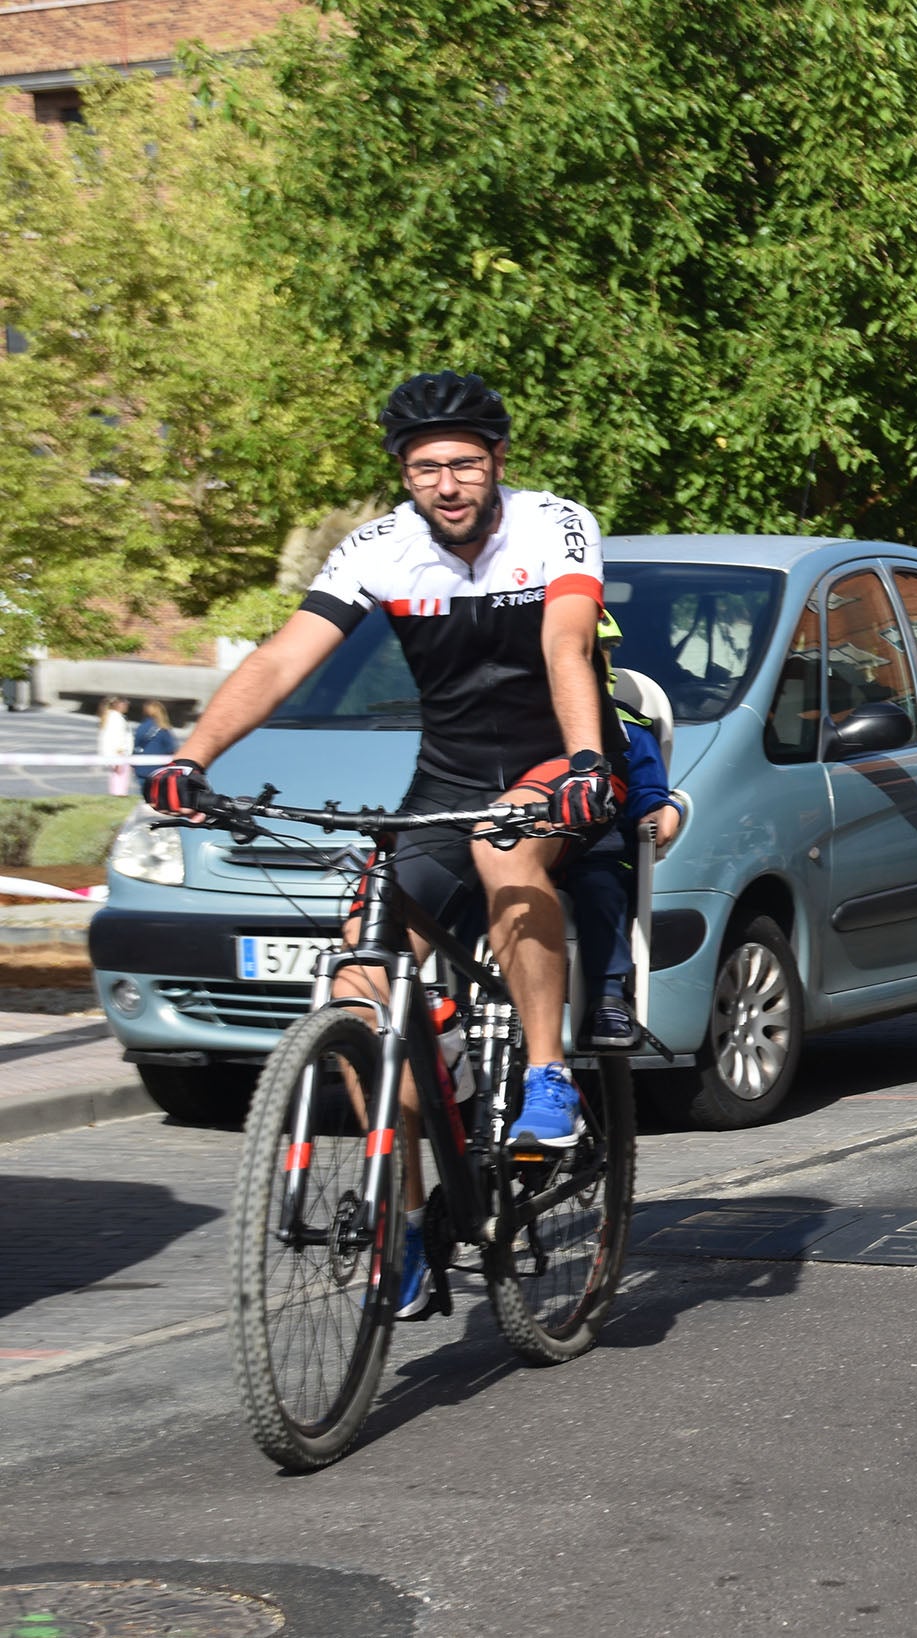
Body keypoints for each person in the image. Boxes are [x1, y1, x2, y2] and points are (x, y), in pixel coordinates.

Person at [145, 371, 624, 1318]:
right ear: (402, 475)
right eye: (424, 468)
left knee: (501, 846)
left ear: (497, 463)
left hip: (552, 765)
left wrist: (582, 762)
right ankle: (400, 1226)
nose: (446, 485)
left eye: (464, 464)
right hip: (443, 778)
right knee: (361, 993)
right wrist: (191, 755)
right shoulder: (380, 549)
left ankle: (546, 1078)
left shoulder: (553, 525)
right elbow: (284, 656)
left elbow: (567, 646)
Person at [567, 618, 682, 1048]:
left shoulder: (628, 729)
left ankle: (609, 997)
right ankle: (444, 997)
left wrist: (661, 813)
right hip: (523, 845)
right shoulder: (512, 728)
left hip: (593, 851)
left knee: (600, 885)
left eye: (598, 653)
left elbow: (651, 794)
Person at [96, 697, 133, 797]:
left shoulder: (109, 716)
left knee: (116, 774)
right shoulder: (116, 718)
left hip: (113, 751)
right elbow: (118, 735)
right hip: (119, 751)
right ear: (118, 705)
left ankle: (116, 792)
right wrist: (120, 750)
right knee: (121, 774)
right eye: (125, 704)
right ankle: (119, 793)